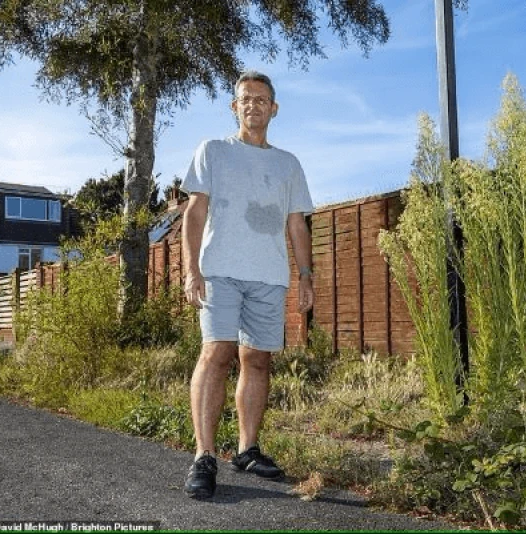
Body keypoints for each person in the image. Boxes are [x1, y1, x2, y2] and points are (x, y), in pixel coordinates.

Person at [180, 70, 314, 499]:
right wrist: (191, 270)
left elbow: (297, 225)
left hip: (269, 276)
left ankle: (247, 449)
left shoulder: (288, 163)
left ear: (274, 109)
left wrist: (306, 275)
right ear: (234, 107)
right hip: (219, 270)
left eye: (261, 99)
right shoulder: (214, 152)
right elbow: (194, 214)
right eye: (245, 99)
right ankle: (204, 456)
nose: (253, 105)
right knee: (216, 353)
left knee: (256, 361)